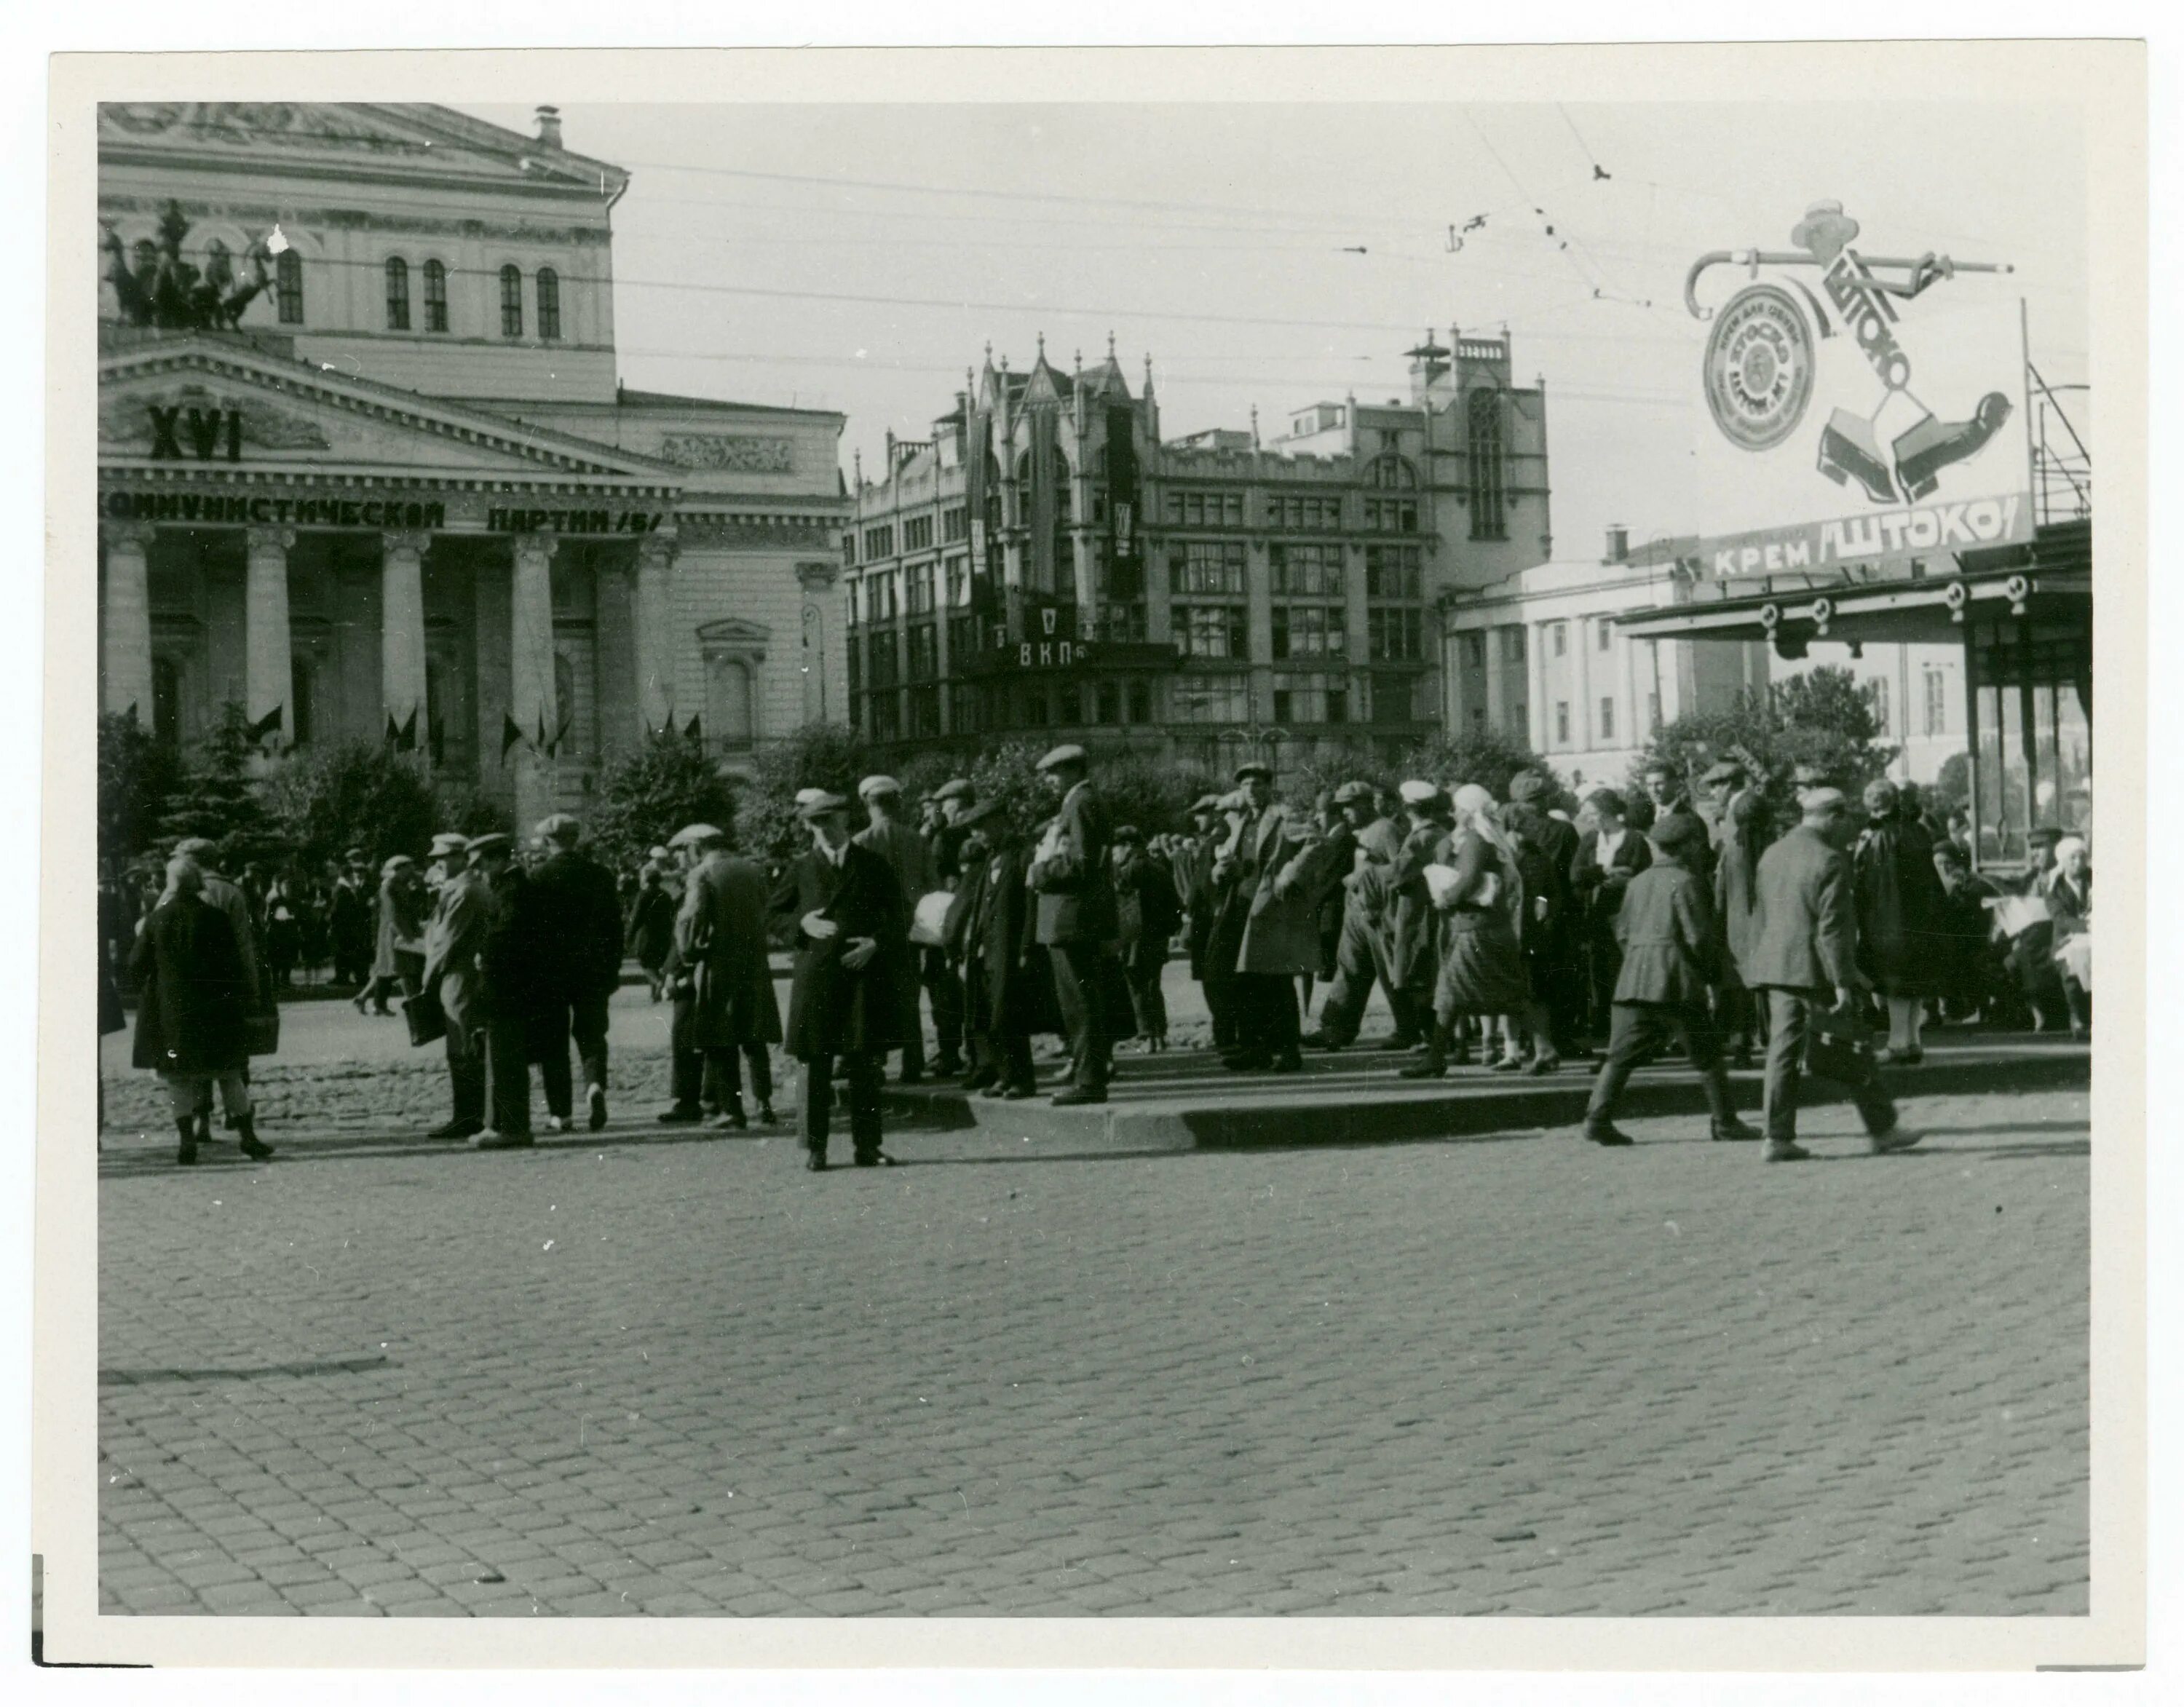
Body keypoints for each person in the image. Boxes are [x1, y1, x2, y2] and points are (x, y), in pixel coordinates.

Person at [1746, 788, 1919, 1162]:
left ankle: (1776, 1137)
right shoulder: (1829, 860)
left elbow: (1761, 911)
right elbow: (1834, 930)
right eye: (1846, 820)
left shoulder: (1773, 853)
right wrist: (1843, 982)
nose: (1849, 828)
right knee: (1854, 1043)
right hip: (1817, 969)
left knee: (1783, 1051)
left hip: (1777, 965)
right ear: (1834, 817)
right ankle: (1883, 1129)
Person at [1578, 813, 1759, 1146]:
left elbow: (1622, 932)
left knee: (1619, 1055)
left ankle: (1597, 1119)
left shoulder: (1638, 882)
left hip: (1634, 977)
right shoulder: (1686, 881)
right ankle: (1725, 1121)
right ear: (1688, 845)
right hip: (1675, 980)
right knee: (1707, 1053)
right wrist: (1713, 978)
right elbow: (1698, 937)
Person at [773, 791, 904, 1169]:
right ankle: (817, 1149)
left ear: (846, 820)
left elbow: (898, 915)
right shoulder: (800, 868)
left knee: (864, 1065)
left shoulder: (871, 864)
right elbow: (772, 915)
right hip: (816, 978)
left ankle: (868, 1147)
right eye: (816, 824)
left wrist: (876, 944)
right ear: (808, 829)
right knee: (816, 1065)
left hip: (861, 977)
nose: (825, 831)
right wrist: (801, 924)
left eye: (830, 821)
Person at [130, 857, 274, 1165]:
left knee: (179, 1080)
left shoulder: (158, 919)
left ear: (170, 883)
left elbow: (136, 965)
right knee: (229, 1076)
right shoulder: (216, 918)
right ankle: (247, 1136)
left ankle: (187, 1141)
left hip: (173, 1013)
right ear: (197, 883)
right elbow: (234, 965)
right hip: (216, 1011)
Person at [1407, 785, 1556, 1078]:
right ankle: (1544, 1050)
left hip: (1475, 930)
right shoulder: (1485, 839)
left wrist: (1446, 898)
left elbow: (1467, 878)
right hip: (1486, 928)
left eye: (1458, 808)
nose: (1454, 813)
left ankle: (1436, 1058)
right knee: (1503, 993)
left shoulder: (1475, 840)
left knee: (1459, 992)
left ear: (1469, 810)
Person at [667, 821, 781, 1130]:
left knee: (720, 1037)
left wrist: (689, 955)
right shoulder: (752, 869)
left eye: (686, 850)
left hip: (719, 964)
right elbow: (767, 910)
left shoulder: (701, 875)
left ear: (697, 847)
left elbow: (690, 920)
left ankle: (732, 1109)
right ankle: (765, 1104)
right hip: (755, 962)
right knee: (754, 1036)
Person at [1214, 763, 1329, 1073]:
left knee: (1277, 982)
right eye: (1246, 785)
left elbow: (1316, 843)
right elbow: (1242, 860)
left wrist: (1289, 874)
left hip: (1273, 909)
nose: (1252, 790)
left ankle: (1289, 1051)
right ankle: (1255, 1049)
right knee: (1247, 981)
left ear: (1269, 786)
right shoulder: (1241, 820)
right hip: (1244, 906)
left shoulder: (1284, 815)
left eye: (1258, 784)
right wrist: (1223, 869)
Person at [1028, 743, 1117, 1106]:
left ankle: (1089, 1081)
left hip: (1073, 917)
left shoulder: (1081, 803)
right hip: (1071, 918)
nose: (1049, 781)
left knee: (1081, 1003)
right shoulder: (1078, 802)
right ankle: (1086, 1076)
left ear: (1073, 771)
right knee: (1079, 1002)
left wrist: (1039, 872)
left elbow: (1082, 864)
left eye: (1054, 773)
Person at [527, 814, 626, 1132]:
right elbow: (615, 927)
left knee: (553, 1042)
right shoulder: (600, 875)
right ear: (576, 839)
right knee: (592, 1035)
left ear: (547, 842)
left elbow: (531, 932)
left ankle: (561, 1113)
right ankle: (594, 1085)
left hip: (551, 973)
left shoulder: (538, 876)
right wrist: (612, 968)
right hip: (593, 969)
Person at [1307, 780, 1418, 1052]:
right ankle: (1335, 1029)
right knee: (1349, 969)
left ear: (1367, 805)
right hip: (1358, 913)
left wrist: (1364, 880)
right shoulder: (1362, 832)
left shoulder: (1386, 830)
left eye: (1349, 807)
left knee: (1392, 973)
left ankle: (1408, 1030)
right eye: (1341, 807)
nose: (1344, 812)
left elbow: (1402, 871)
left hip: (1381, 914)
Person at [954, 800, 1053, 1098]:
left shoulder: (1022, 855)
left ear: (1000, 822)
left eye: (981, 827)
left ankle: (1022, 1079)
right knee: (990, 1014)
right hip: (989, 950)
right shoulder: (991, 859)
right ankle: (1005, 1074)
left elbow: (1031, 905)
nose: (977, 835)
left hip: (1011, 949)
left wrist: (1027, 946)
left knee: (1009, 1015)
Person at [854, 775, 943, 1084]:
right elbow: (933, 887)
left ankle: (876, 1063)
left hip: (876, 932)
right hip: (912, 928)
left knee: (875, 997)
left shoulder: (860, 842)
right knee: (909, 997)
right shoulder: (917, 840)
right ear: (897, 803)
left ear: (867, 804)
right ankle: (913, 1063)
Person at [1851, 779, 1943, 1064]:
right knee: (1913, 983)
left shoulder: (1876, 836)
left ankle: (1897, 1042)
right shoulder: (1916, 831)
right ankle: (1912, 1041)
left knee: (1896, 983)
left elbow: (1869, 881)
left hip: (1889, 917)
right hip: (1919, 916)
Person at [467, 833, 543, 1149]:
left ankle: (512, 1126)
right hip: (507, 985)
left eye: (483, 864)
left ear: (498, 860)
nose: (481, 871)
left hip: (507, 987)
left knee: (506, 1057)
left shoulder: (513, 890)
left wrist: (484, 953)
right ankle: (500, 1122)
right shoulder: (509, 887)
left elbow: (507, 936)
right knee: (499, 1056)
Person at [1508, 771, 1582, 1056]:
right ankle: (1560, 1038)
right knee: (1559, 977)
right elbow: (1573, 874)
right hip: (1556, 910)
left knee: (1531, 977)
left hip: (1523, 914)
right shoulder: (1563, 830)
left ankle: (1531, 1040)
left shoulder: (1511, 835)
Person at [1701, 757, 1768, 1066]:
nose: (1713, 793)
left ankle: (1746, 1040)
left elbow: (1744, 867)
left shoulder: (1744, 813)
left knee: (1744, 973)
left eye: (1715, 786)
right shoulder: (1738, 812)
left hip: (1744, 906)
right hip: (1742, 904)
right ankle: (1745, 1039)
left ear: (1727, 784)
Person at [1570, 788, 1650, 1042]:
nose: (1589, 819)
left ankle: (1632, 1026)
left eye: (1593, 813)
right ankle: (1604, 1022)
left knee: (1625, 967)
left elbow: (1643, 875)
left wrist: (1624, 878)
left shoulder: (1634, 840)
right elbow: (1576, 874)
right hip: (1596, 911)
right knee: (1599, 968)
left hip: (1626, 913)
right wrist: (1605, 873)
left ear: (1606, 813)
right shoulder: (1590, 840)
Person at [1389, 780, 1455, 1066]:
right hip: (1430, 908)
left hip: (1417, 910)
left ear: (1408, 809)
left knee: (1418, 971)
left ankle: (1432, 1037)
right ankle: (1436, 1037)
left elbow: (1399, 873)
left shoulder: (1419, 838)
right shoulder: (1440, 832)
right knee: (1427, 971)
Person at [1111, 825, 1179, 1051]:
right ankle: (1159, 1035)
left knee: (1137, 986)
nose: (1114, 853)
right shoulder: (1159, 868)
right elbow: (1175, 905)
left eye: (1117, 848)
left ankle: (1147, 1035)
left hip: (1135, 938)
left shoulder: (1128, 871)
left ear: (1129, 846)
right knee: (1153, 985)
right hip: (1157, 936)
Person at [1176, 793, 1235, 1051]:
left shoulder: (1218, 840)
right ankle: (1223, 1034)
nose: (1197, 818)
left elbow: (1206, 885)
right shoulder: (1210, 841)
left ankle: (1224, 1037)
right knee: (1213, 980)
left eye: (1201, 813)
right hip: (1206, 917)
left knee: (1216, 981)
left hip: (1211, 919)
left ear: (1215, 813)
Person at [356, 855, 426, 1016]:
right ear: (400, 868)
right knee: (400, 969)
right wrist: (405, 935)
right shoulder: (389, 886)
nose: (412, 870)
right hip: (394, 933)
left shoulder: (402, 884)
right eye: (409, 867)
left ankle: (368, 1000)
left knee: (390, 969)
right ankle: (414, 1007)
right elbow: (393, 913)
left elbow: (413, 905)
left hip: (402, 931)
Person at [2045, 836, 2091, 1037]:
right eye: (2072, 858)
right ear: (2063, 861)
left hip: (2095, 936)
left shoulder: (2093, 878)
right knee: (2071, 963)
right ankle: (2077, 1016)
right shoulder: (2055, 887)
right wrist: (2087, 925)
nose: (2078, 863)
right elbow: (2060, 917)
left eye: (2082, 857)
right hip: (2067, 939)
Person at [627, 860, 678, 1002]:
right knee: (657, 963)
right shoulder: (666, 895)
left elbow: (636, 917)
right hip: (663, 934)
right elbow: (672, 914)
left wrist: (629, 936)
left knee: (646, 964)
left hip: (646, 935)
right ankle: (654, 993)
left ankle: (656, 983)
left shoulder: (643, 895)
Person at [328, 852, 373, 987]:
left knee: (354, 953)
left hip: (353, 927)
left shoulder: (346, 888)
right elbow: (336, 910)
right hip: (346, 927)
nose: (356, 876)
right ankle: (345, 978)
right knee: (346, 953)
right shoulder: (343, 889)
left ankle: (357, 977)